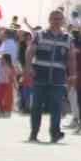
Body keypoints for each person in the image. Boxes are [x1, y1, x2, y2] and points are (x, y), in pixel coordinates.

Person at [27, 9, 72, 143]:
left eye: (59, 19)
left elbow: (71, 58)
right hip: (40, 76)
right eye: (54, 19)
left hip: (58, 78)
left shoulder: (67, 38)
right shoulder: (40, 35)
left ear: (63, 20)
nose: (57, 21)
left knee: (56, 106)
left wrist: (73, 75)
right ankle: (34, 133)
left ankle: (55, 133)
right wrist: (28, 66)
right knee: (36, 106)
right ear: (49, 20)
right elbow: (30, 52)